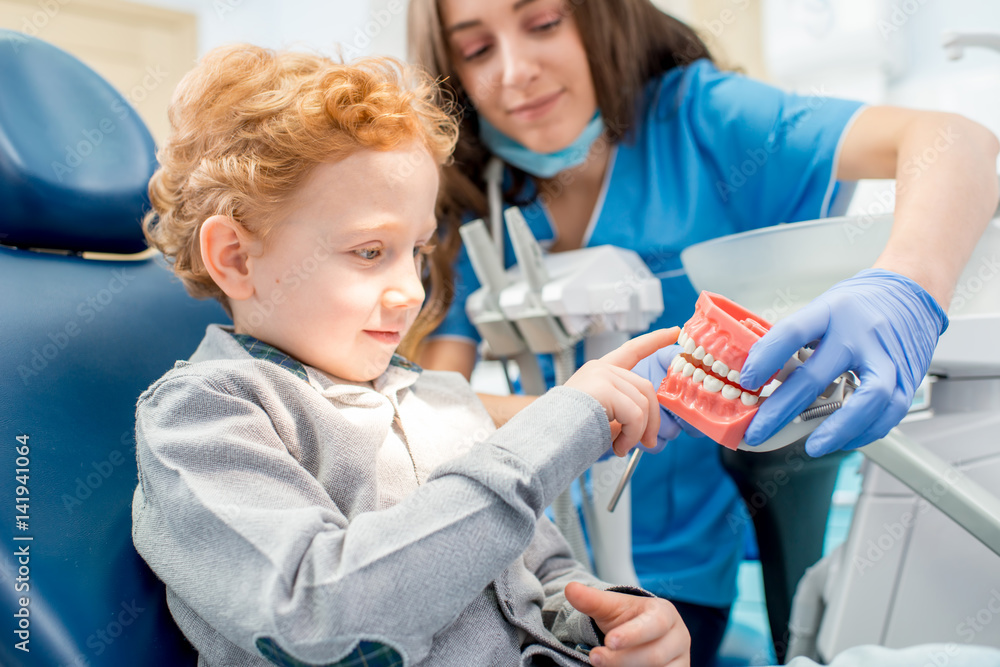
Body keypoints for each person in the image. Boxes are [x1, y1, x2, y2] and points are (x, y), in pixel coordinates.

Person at [405, 0, 1000, 664]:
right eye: (477, 49)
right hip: (531, 561)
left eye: (543, 22)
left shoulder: (703, 121)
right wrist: (593, 411)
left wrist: (908, 285)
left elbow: (958, 140)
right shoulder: (474, 197)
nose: (515, 71)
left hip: (676, 580)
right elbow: (427, 409)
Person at [130, 43, 697, 667]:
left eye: (419, 251)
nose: (412, 291)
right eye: (370, 252)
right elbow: (323, 619)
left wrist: (610, 620)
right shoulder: (203, 418)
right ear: (236, 257)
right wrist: (549, 433)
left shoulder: (439, 401)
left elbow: (539, 578)